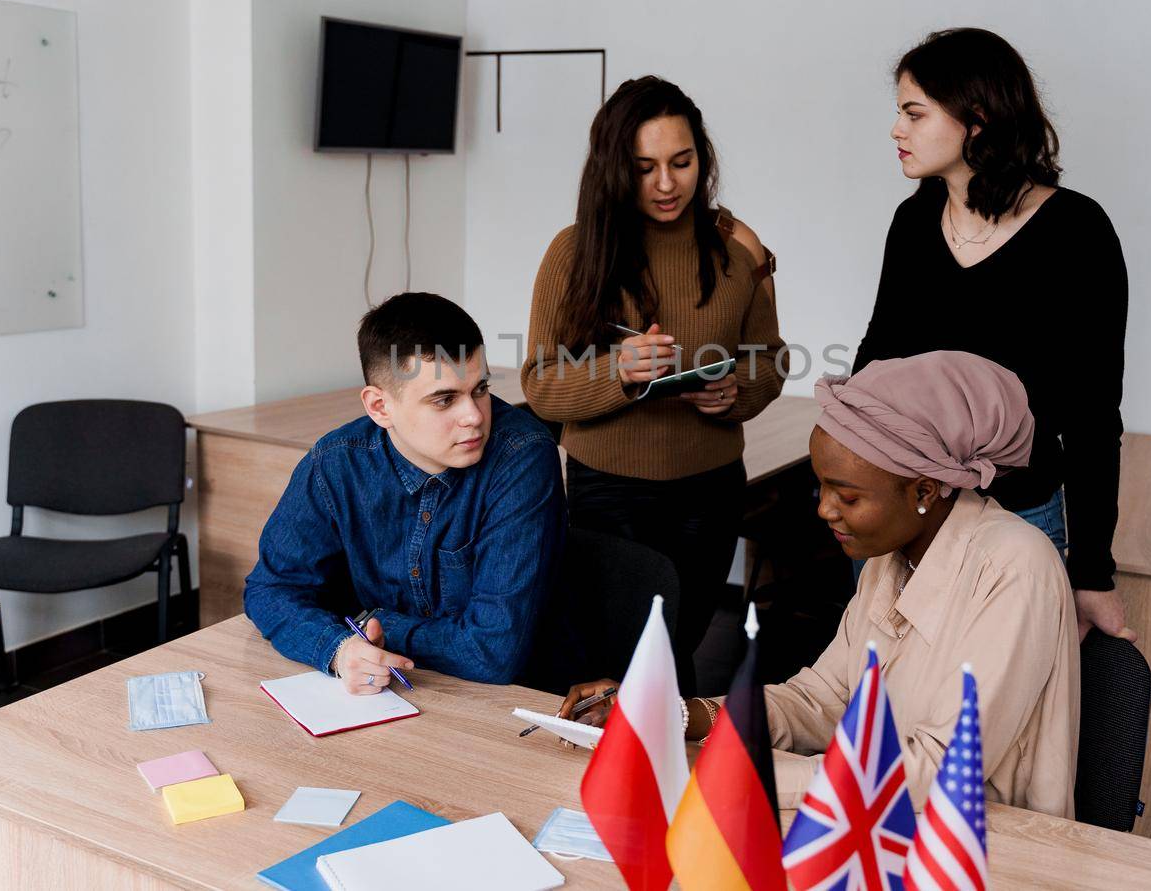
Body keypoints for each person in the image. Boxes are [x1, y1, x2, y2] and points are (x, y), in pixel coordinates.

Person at [560, 351, 1080, 817]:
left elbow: (938, 772)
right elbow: (824, 700)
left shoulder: (1017, 567)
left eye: (847, 496)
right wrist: (672, 716)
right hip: (872, 822)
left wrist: (725, 777)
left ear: (924, 490)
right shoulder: (892, 554)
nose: (825, 509)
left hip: (984, 848)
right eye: (822, 486)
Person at [856, 27, 1135, 642]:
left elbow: (1092, 417)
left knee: (985, 726)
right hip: (907, 513)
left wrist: (1093, 572)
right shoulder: (913, 221)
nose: (897, 130)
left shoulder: (1077, 232)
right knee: (883, 715)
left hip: (1019, 520)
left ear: (976, 120)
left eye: (913, 113)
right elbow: (875, 364)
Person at [520, 75, 785, 690]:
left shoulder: (735, 248)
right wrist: (620, 370)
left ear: (702, 159)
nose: (667, 184)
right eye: (645, 167)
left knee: (676, 651)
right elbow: (541, 383)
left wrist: (734, 394)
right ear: (615, 169)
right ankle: (612, 777)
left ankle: (670, 770)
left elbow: (769, 360)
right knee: (620, 659)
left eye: (682, 162)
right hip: (607, 492)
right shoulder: (574, 252)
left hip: (709, 492)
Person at [244, 292, 565, 690]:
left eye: (479, 389)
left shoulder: (522, 456)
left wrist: (373, 623)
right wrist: (339, 649)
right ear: (380, 407)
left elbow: (494, 653)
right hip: (388, 695)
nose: (474, 416)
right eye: (444, 399)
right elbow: (271, 588)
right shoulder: (336, 461)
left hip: (500, 702)